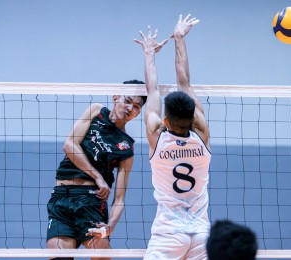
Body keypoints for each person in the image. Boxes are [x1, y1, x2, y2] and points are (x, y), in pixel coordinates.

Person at [134, 14, 210, 260]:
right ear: (193, 118)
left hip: (168, 233)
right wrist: (179, 38)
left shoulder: (157, 135)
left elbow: (152, 89)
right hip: (201, 234)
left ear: (165, 121)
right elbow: (184, 82)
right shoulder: (202, 134)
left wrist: (149, 54)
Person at [46, 80, 148, 260]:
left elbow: (119, 199)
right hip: (61, 198)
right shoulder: (96, 111)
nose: (130, 108)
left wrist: (110, 227)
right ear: (116, 96)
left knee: (101, 256)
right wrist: (98, 177)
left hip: (91, 200)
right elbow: (69, 145)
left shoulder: (126, 147)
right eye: (127, 101)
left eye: (136, 107)